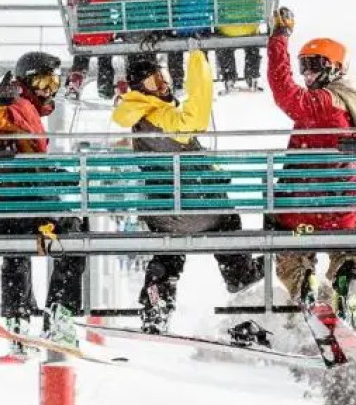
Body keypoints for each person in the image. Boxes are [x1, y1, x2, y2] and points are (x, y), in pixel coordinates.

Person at [111, 48, 262, 335]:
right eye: (154, 82)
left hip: (162, 213)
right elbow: (196, 117)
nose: (164, 85)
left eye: (163, 77)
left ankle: (157, 299)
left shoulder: (136, 118)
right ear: (140, 89)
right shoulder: (160, 115)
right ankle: (238, 273)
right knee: (228, 221)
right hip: (199, 208)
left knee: (168, 251)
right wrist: (197, 60)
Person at [266, 6, 356, 322]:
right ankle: (348, 278)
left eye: (314, 66)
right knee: (350, 250)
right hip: (340, 214)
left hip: (303, 212)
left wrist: (279, 39)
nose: (307, 74)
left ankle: (304, 284)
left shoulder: (324, 102)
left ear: (334, 68)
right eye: (303, 66)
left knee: (289, 258)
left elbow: (284, 91)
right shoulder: (353, 107)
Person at [0, 51, 88, 358]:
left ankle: (17, 321)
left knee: (16, 252)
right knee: (75, 238)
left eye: (52, 83)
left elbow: (31, 165)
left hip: (4, 211)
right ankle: (60, 314)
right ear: (26, 81)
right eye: (42, 81)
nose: (48, 90)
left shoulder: (29, 112)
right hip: (26, 208)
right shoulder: (16, 104)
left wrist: (58, 175)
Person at [65, 0, 118, 100]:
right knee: (105, 60)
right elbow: (118, 4)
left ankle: (75, 81)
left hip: (82, 34)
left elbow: (71, 9)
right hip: (103, 35)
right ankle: (105, 87)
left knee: (81, 57)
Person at [213, 0, 266, 91]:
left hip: (228, 29)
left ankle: (229, 76)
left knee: (225, 47)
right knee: (252, 45)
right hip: (249, 27)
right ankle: (252, 76)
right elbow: (260, 6)